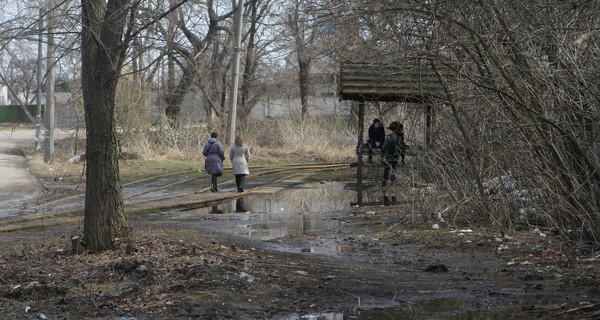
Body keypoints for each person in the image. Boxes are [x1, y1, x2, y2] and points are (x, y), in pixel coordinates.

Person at [381, 121, 405, 186]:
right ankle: (393, 182)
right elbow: (401, 147)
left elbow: (384, 147)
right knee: (393, 169)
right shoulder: (399, 137)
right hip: (395, 156)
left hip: (388, 156)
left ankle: (384, 181)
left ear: (392, 130)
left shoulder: (388, 137)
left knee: (386, 168)